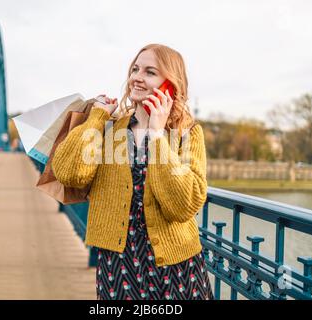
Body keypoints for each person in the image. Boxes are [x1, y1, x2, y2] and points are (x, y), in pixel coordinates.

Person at [51, 44, 213, 300]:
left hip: (175, 267)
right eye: (135, 69)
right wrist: (96, 118)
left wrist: (157, 135)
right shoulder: (111, 130)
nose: (137, 77)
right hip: (118, 264)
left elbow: (184, 206)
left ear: (170, 85)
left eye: (150, 72)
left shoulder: (187, 133)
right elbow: (70, 173)